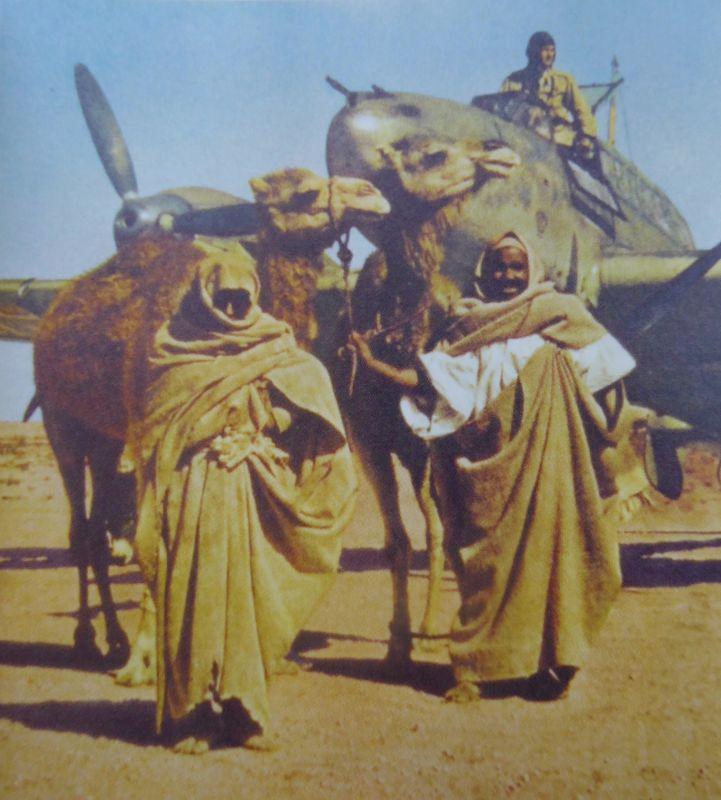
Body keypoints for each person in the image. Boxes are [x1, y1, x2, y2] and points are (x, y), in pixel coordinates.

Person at [351, 231, 645, 702]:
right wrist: (374, 365)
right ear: (485, 273)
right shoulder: (465, 327)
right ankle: (475, 671)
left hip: (550, 468)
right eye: (499, 268)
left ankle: (553, 662)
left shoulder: (561, 316)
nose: (508, 277)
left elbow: (609, 380)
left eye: (516, 268)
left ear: (531, 271)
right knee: (483, 573)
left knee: (555, 566)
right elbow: (430, 383)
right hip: (486, 467)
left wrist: (610, 438)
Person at [130, 238, 356, 753]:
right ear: (203, 295)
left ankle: (244, 711)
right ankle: (191, 716)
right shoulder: (172, 348)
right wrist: (208, 434)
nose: (233, 307)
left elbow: (311, 391)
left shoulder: (275, 344)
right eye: (223, 297)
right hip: (190, 494)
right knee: (192, 598)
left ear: (254, 295)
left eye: (240, 297)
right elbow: (158, 426)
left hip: (249, 491)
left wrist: (264, 426)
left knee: (247, 600)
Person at [502, 31, 598, 160]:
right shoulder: (514, 80)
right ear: (535, 52)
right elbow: (501, 107)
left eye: (552, 51)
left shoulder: (563, 80)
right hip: (523, 135)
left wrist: (586, 136)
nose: (550, 55)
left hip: (558, 137)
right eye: (545, 50)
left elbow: (582, 111)